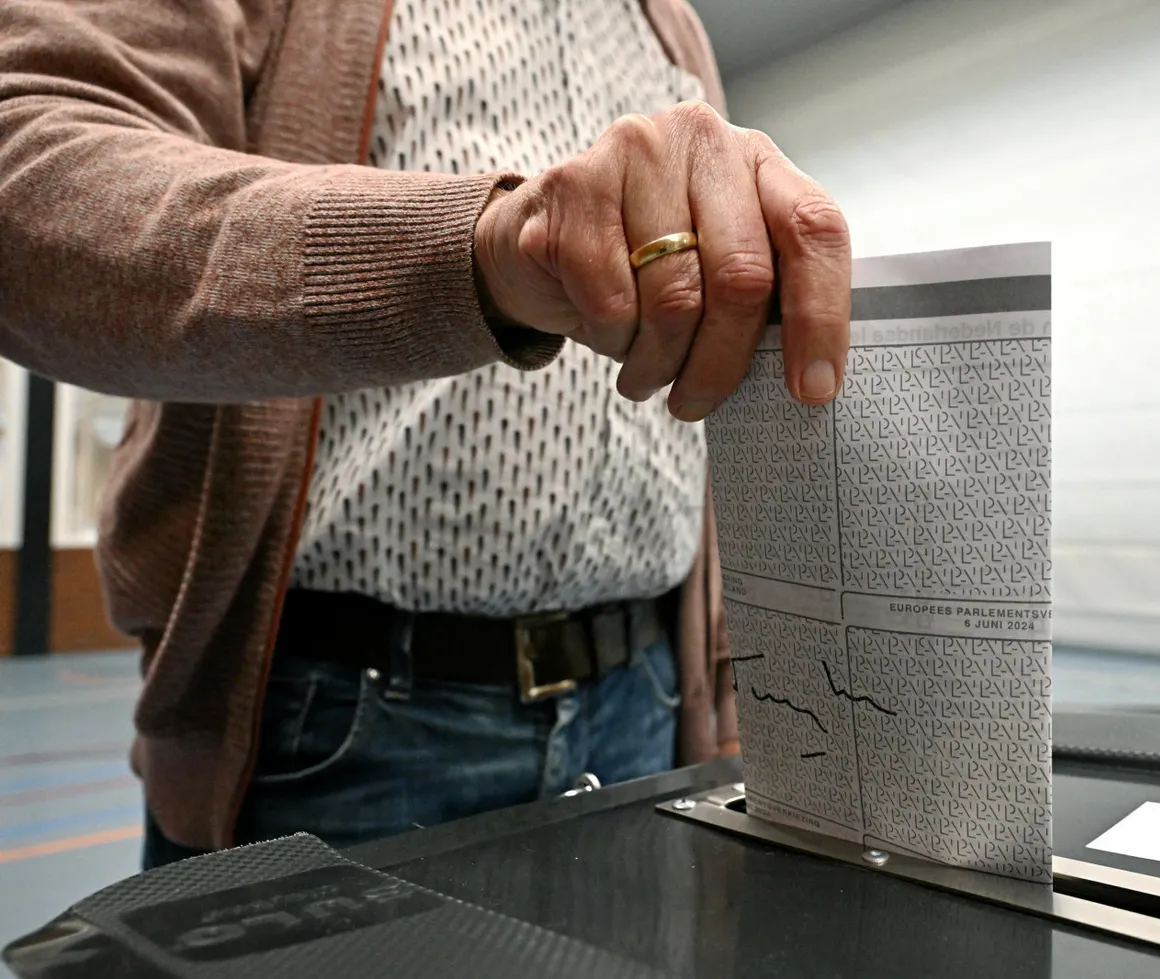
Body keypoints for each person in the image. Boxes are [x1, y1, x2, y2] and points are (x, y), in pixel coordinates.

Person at [0, 0, 851, 867]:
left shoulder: (668, 23)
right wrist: (481, 249)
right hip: (338, 728)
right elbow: (24, 162)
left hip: (650, 703)